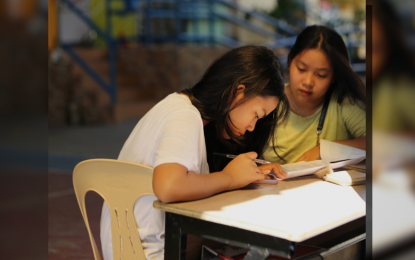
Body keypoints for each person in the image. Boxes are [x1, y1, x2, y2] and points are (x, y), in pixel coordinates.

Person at [100, 46, 289, 260]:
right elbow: (168, 187)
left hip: (124, 248)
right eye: (257, 114)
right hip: (146, 254)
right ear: (238, 92)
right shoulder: (185, 116)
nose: (253, 127)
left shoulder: (175, 104)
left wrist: (245, 174)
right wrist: (229, 178)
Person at [263, 25, 366, 164]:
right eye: (301, 69)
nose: (308, 82)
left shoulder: (343, 103)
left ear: (334, 76)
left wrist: (325, 150)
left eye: (321, 75)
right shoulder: (269, 101)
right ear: (290, 61)